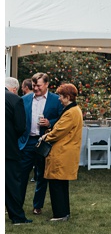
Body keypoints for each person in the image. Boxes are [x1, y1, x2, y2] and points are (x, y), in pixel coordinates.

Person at [20, 72, 64, 216]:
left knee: (41, 175)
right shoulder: (24, 99)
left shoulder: (56, 100)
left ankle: (37, 206)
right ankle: (16, 205)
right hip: (27, 142)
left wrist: (50, 122)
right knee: (21, 175)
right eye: (33, 85)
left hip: (44, 141)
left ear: (46, 85)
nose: (36, 88)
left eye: (38, 85)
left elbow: (62, 118)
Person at [39, 82, 83, 222]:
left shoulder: (71, 112)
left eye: (61, 96)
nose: (58, 98)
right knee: (62, 184)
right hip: (65, 151)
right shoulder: (74, 110)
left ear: (68, 97)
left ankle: (59, 214)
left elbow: (59, 131)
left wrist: (45, 136)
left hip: (62, 152)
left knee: (56, 184)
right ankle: (64, 212)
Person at [6, 77, 30, 224]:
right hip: (8, 148)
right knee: (11, 182)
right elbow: (21, 127)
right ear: (14, 89)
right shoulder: (15, 100)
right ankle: (17, 217)